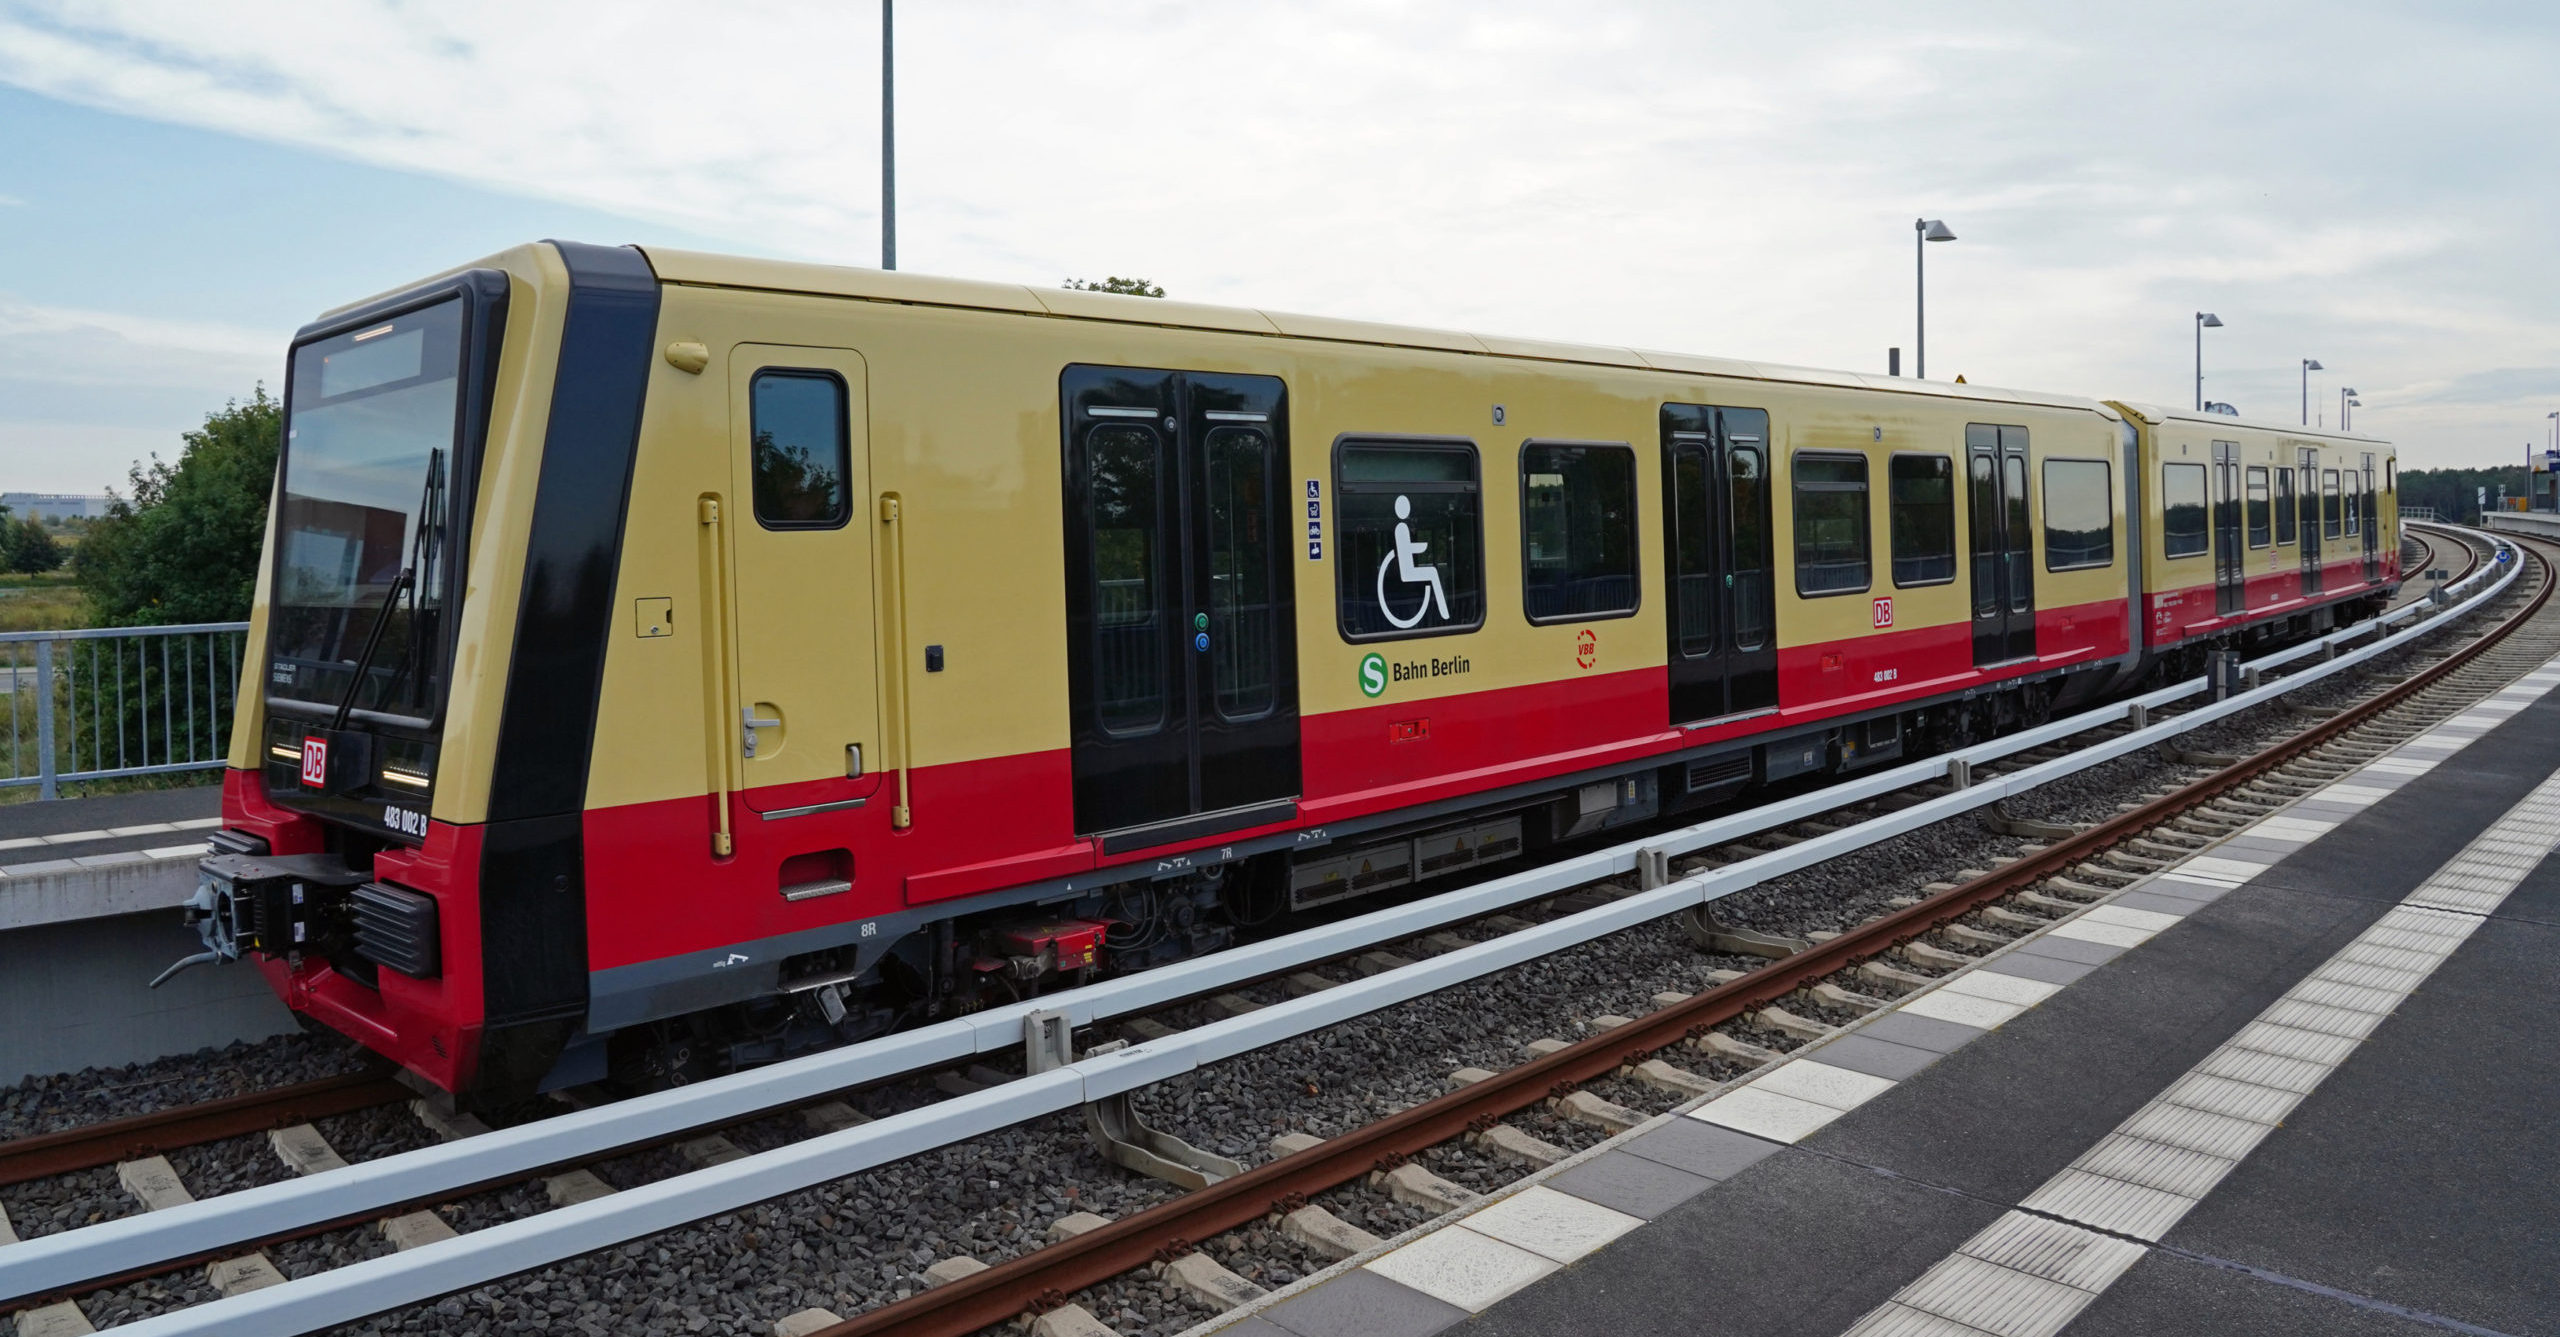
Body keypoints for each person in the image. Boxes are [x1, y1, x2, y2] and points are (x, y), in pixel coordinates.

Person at [1380, 495, 1450, 627]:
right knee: (1433, 573)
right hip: (1407, 570)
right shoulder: (1401, 528)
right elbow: (1405, 548)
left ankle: (1441, 611)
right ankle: (1443, 611)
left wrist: (1419, 547)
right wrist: (1422, 547)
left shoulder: (1401, 527)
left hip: (1407, 568)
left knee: (1431, 574)